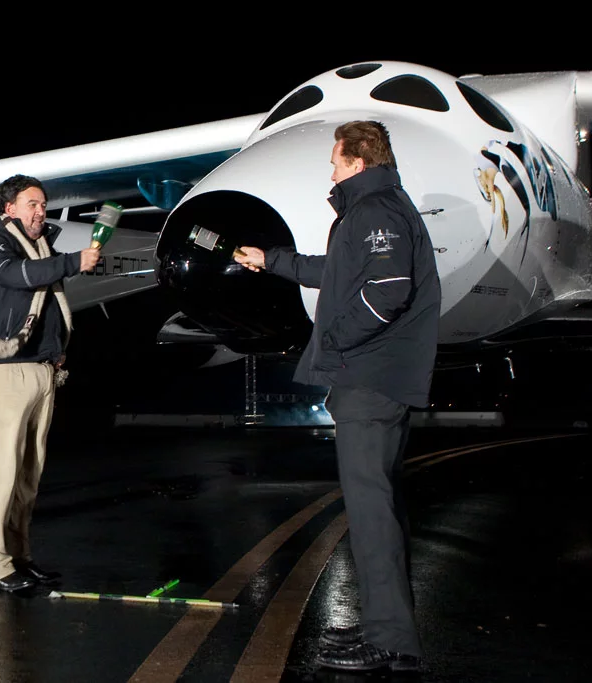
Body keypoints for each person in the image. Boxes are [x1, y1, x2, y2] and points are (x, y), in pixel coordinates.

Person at [234, 121, 440, 673]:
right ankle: (383, 629)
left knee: (372, 513)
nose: (331, 170)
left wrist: (335, 338)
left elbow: (386, 293)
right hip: (375, 381)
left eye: (335, 160)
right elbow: (339, 272)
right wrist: (271, 260)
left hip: (370, 383)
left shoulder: (376, 211)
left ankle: (393, 642)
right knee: (378, 508)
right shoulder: (375, 209)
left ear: (356, 160)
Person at [0, 174, 100, 593]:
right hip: (2, 373)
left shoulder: (45, 251)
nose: (40, 211)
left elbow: (47, 304)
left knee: (27, 477)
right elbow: (18, 275)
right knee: (2, 475)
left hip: (41, 373)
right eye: (31, 204)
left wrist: (56, 350)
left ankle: (19, 557)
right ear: (8, 209)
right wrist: (74, 262)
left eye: (43, 204)